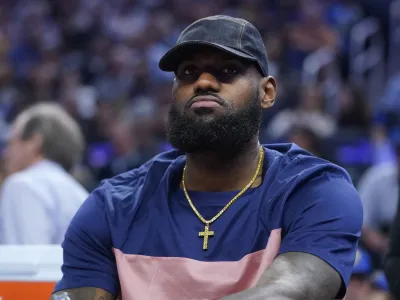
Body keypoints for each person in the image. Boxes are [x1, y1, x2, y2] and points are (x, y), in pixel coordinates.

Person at [51, 15, 363, 300]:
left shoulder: (315, 191)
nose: (203, 82)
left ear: (267, 93)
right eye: (188, 73)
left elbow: (286, 294)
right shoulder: (112, 206)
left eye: (228, 71)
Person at [0, 103, 88, 244]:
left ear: (34, 141)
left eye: (12, 142)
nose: (5, 153)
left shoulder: (22, 185)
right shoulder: (80, 194)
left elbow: (26, 261)